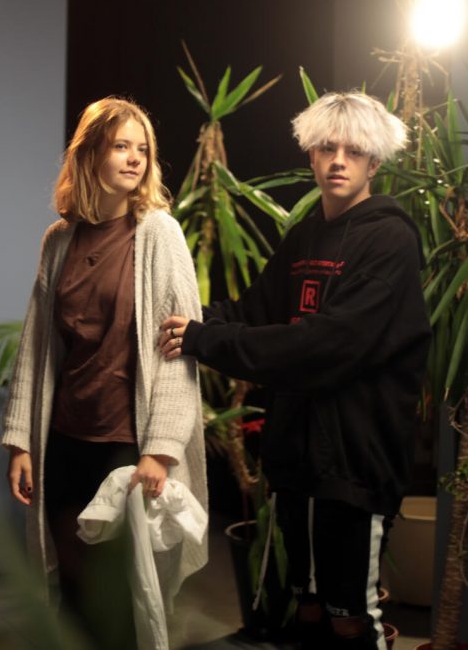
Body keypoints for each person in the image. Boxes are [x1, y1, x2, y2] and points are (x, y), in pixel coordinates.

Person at [159, 91, 431, 650]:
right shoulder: (305, 236)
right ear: (310, 155)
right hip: (297, 456)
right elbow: (253, 311)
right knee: (306, 609)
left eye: (354, 151)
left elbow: (327, 345)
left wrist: (205, 340)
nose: (338, 161)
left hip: (355, 461)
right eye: (327, 148)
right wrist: (178, 320)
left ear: (374, 162)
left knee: (351, 617)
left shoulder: (391, 239)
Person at [1, 97, 206, 649]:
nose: (135, 158)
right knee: (72, 590)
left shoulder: (159, 233)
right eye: (121, 146)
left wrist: (161, 448)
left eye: (143, 149)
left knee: (121, 595)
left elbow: (180, 348)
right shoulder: (59, 239)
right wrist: (21, 441)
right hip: (66, 439)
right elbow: (38, 344)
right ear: (91, 154)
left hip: (126, 444)